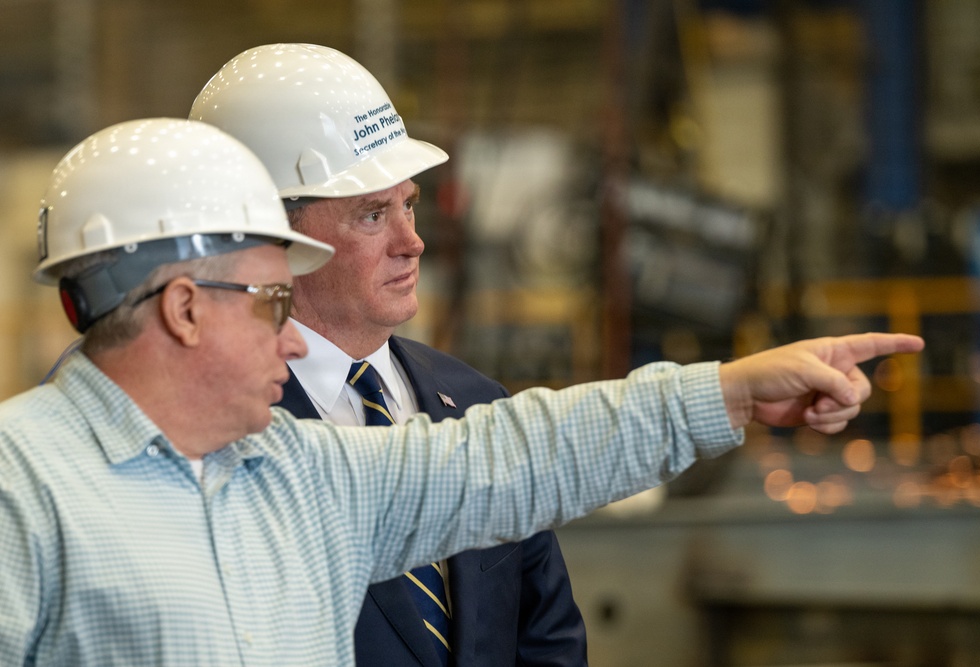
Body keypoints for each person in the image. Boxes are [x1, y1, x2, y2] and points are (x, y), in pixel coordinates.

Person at [0, 117, 923, 667]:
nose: (290, 330)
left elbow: (511, 456)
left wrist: (728, 395)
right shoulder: (25, 493)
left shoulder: (296, 477)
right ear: (187, 309)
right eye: (273, 296)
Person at [188, 43, 588, 666]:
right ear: (267, 237)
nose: (413, 242)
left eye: (409, 204)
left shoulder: (477, 402)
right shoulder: (211, 439)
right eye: (373, 214)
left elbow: (549, 641)